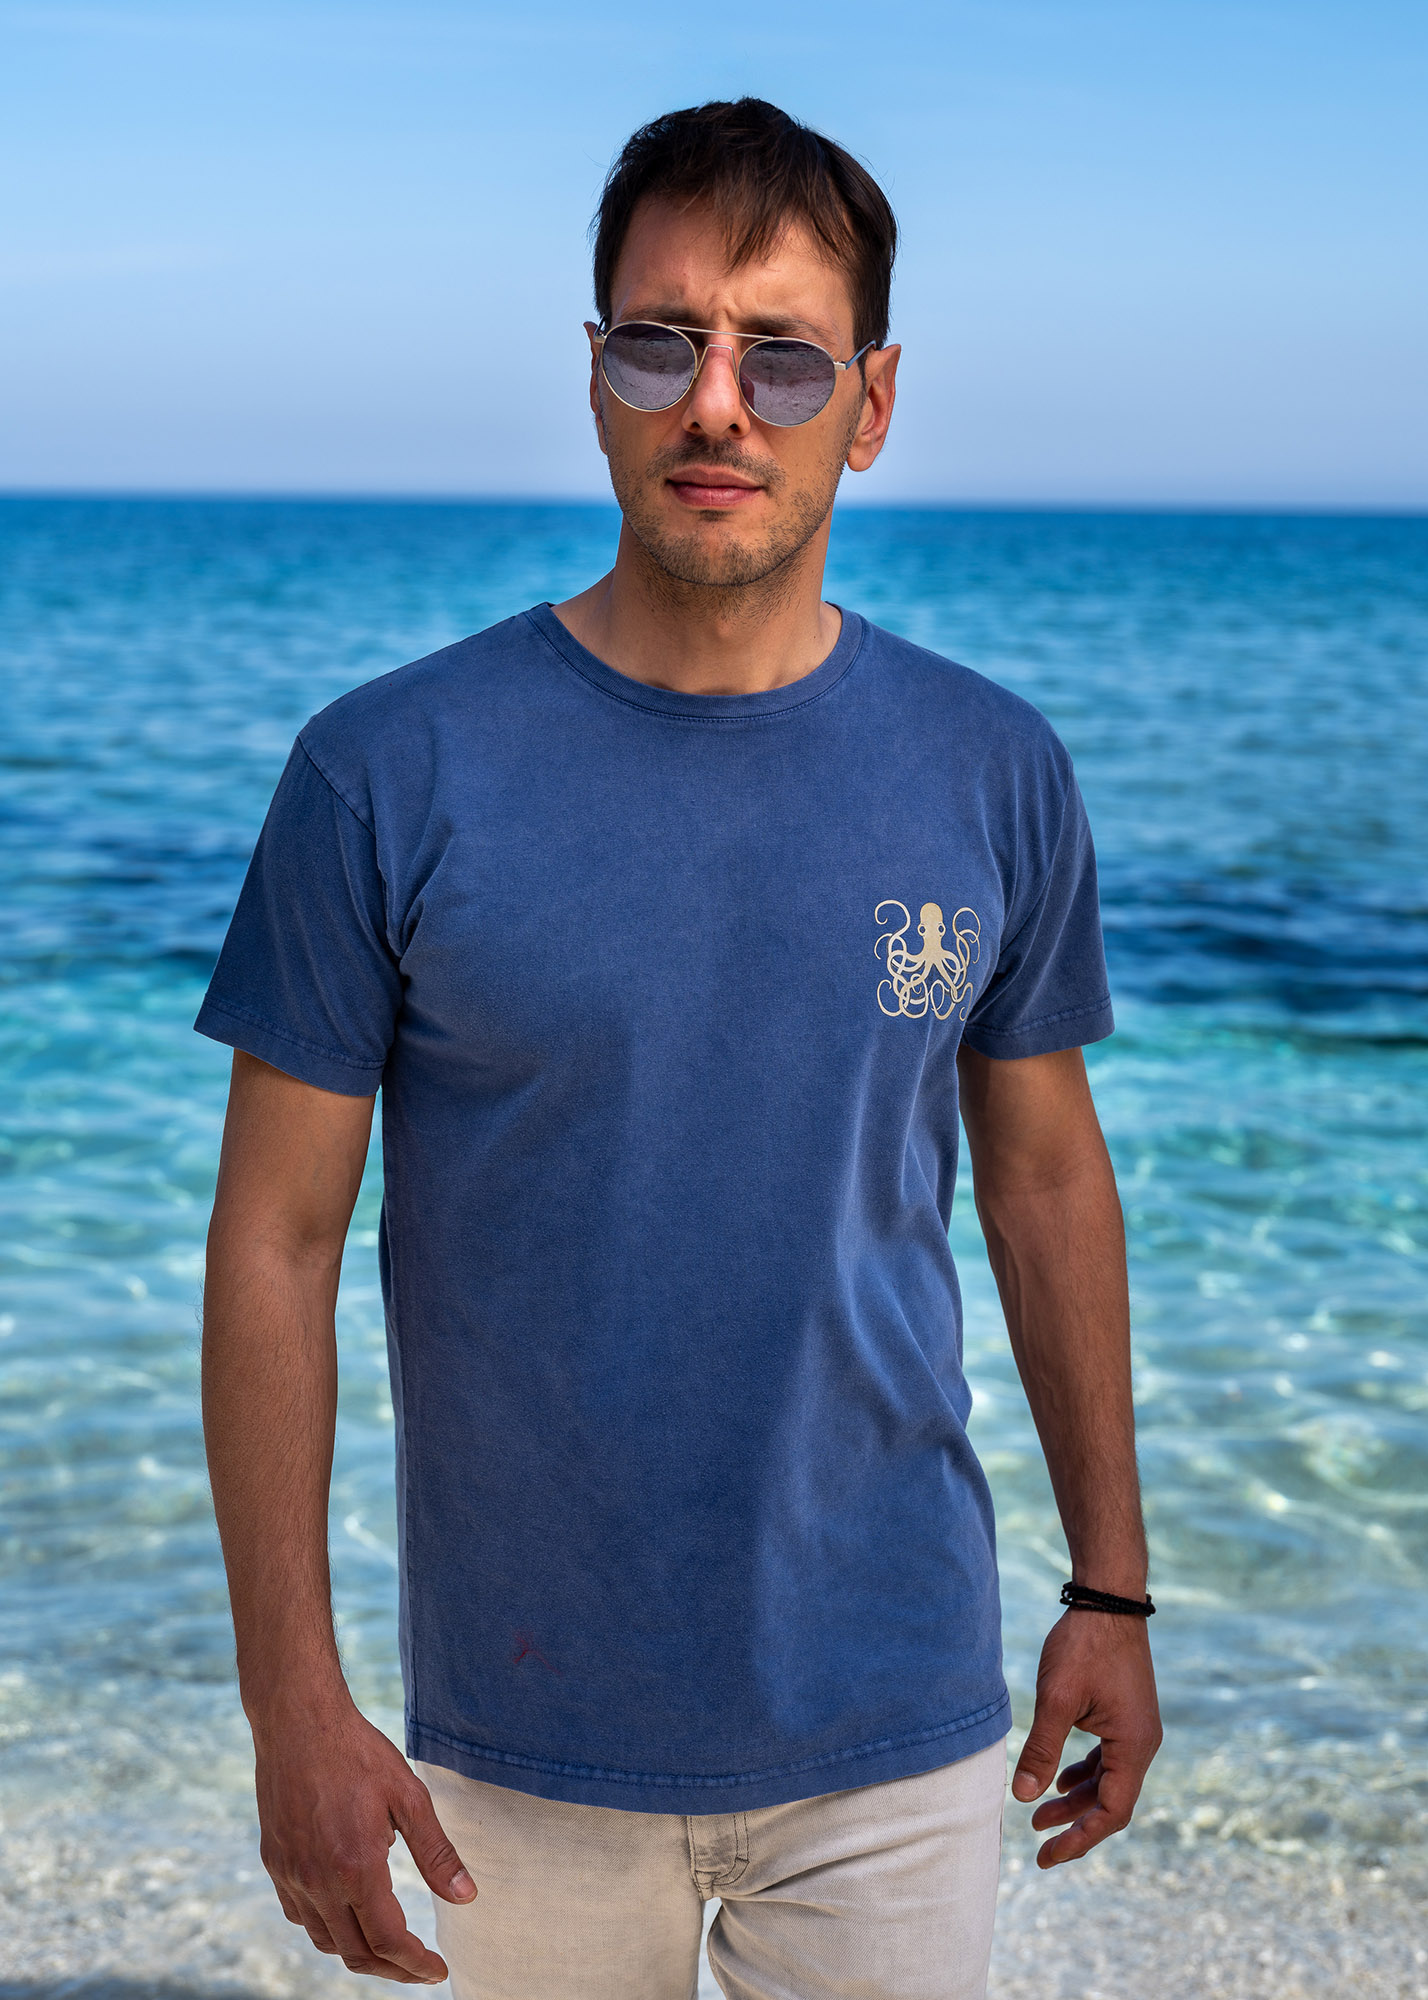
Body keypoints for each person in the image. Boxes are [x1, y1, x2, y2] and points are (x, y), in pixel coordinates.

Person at [199, 96, 1161, 2000]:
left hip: (896, 1715)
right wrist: (290, 1702)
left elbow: (1048, 1182)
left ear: (871, 406)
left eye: (783, 357)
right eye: (663, 343)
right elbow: (274, 1244)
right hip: (514, 1740)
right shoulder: (385, 772)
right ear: (596, 378)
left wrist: (1112, 1590)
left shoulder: (992, 770)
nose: (718, 404)